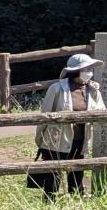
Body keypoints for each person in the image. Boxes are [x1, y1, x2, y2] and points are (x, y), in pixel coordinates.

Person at [31, 52, 103, 198]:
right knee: (53, 175)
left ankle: (76, 201)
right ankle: (49, 205)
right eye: (86, 69)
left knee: (77, 174)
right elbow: (44, 116)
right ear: (76, 70)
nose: (89, 72)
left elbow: (102, 114)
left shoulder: (93, 90)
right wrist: (41, 141)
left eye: (90, 68)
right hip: (56, 140)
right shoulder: (56, 89)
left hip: (80, 139)